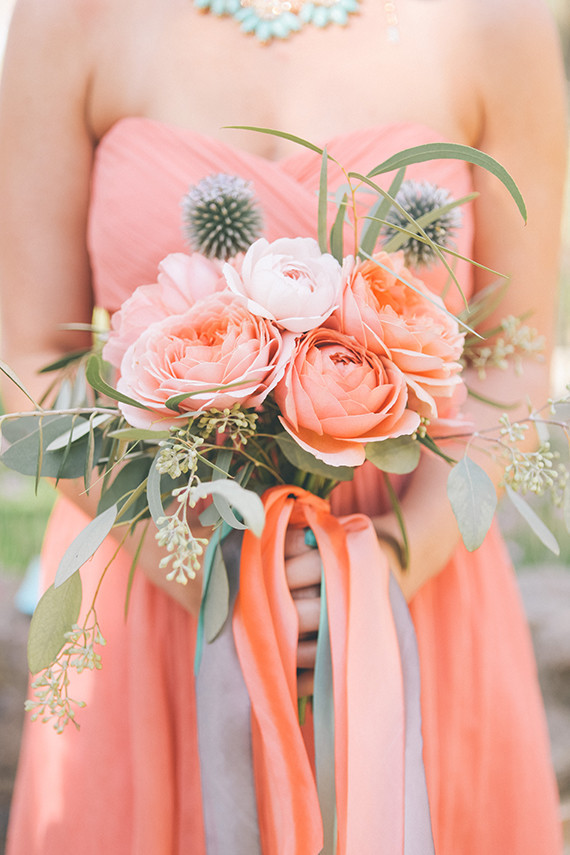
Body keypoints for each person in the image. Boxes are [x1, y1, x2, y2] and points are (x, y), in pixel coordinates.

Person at [0, 0, 566, 852]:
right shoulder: (67, 19)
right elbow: (32, 366)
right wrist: (210, 573)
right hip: (162, 583)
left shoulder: (498, 22)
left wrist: (385, 565)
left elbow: (511, 362)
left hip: (414, 583)